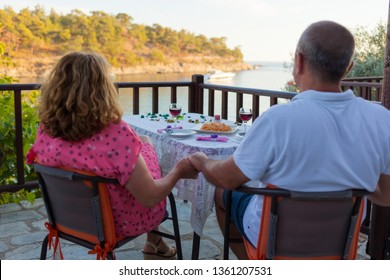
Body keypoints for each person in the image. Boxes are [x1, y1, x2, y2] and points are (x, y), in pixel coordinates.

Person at [189, 20, 390, 259]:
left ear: (299, 61)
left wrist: (203, 162)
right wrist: (353, 185)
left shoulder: (278, 119)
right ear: (348, 68)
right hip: (339, 246)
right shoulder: (381, 119)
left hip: (273, 243)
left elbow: (226, 178)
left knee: (223, 193)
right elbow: (385, 196)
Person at [26, 51, 198, 260]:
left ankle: (155, 242)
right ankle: (153, 239)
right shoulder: (115, 134)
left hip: (67, 220)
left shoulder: (46, 130)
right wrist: (179, 171)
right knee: (146, 146)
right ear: (102, 88)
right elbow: (150, 197)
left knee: (143, 143)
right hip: (117, 223)